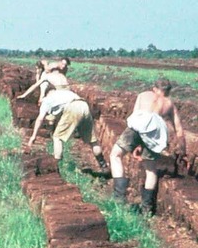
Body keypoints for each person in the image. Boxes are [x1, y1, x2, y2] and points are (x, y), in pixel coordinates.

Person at [109, 79, 186, 215]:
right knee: (151, 170)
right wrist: (182, 151)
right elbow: (179, 130)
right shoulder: (169, 104)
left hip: (139, 124)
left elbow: (135, 117)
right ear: (168, 91)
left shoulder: (144, 95)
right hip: (155, 131)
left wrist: (135, 144)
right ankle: (147, 210)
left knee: (115, 155)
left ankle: (119, 198)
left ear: (154, 88)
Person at [27, 88, 108, 172]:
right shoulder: (64, 93)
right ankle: (103, 165)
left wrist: (33, 136)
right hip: (84, 106)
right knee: (92, 141)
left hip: (72, 107)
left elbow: (40, 119)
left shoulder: (47, 100)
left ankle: (56, 165)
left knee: (57, 137)